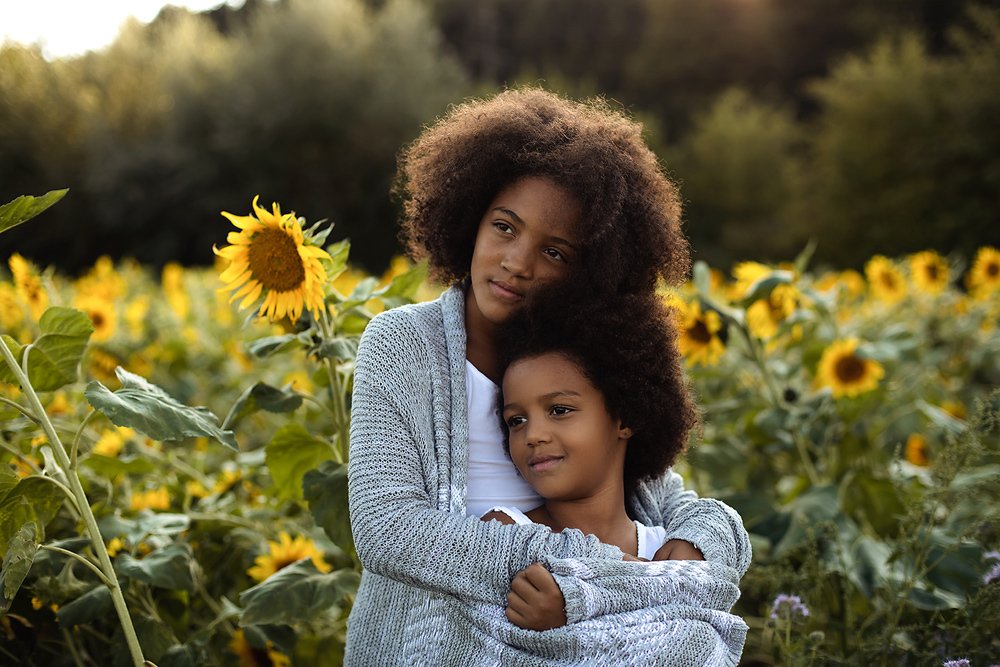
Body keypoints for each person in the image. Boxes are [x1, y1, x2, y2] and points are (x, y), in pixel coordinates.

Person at [346, 87, 750, 665]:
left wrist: (692, 545)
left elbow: (662, 493)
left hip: (572, 618)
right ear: (470, 219)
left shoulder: (576, 353)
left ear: (592, 271)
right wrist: (579, 566)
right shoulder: (403, 345)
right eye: (505, 227)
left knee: (696, 644)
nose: (517, 261)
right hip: (442, 632)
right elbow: (390, 531)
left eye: (555, 252)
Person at [482, 292, 693, 574]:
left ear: (625, 418)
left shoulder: (670, 549)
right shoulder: (504, 534)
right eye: (516, 420)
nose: (533, 435)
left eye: (559, 410)